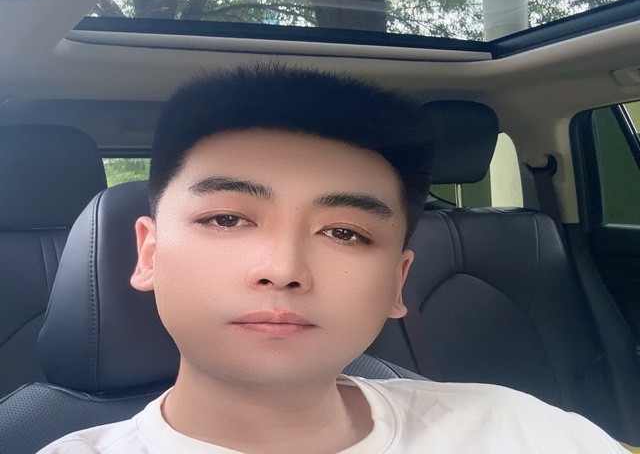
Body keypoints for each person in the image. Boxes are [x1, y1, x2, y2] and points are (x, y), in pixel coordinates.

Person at [38, 65, 629, 453]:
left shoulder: (519, 431)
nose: (282, 269)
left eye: (345, 232)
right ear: (149, 253)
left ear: (397, 281)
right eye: (226, 219)